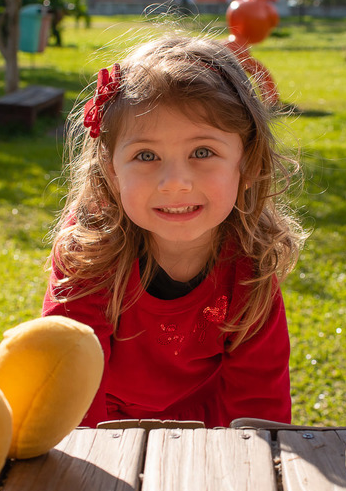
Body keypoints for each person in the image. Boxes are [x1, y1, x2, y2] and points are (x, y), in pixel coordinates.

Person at [43, 34, 306, 427]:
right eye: (145, 155)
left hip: (208, 425)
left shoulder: (252, 261)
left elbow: (259, 403)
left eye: (203, 152)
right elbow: (68, 374)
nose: (175, 182)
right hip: (100, 421)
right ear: (111, 172)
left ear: (247, 164)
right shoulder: (88, 249)